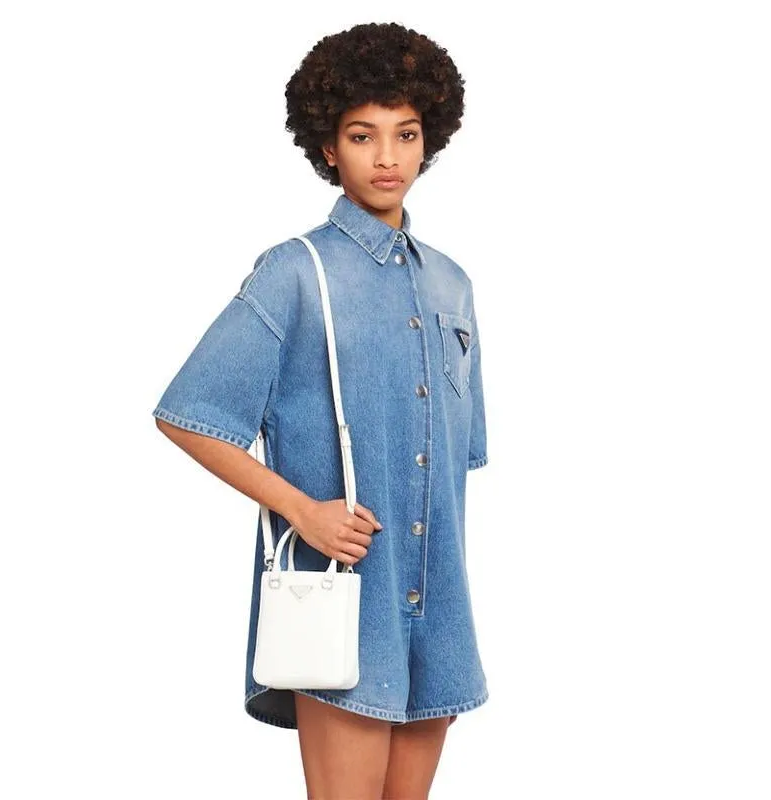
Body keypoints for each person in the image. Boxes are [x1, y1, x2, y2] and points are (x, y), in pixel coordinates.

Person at [152, 21, 490, 798]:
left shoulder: (452, 284)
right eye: (363, 135)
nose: (387, 156)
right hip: (346, 598)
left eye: (407, 134)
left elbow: (457, 459)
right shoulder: (294, 273)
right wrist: (303, 510)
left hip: (438, 606)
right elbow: (188, 412)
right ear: (329, 147)